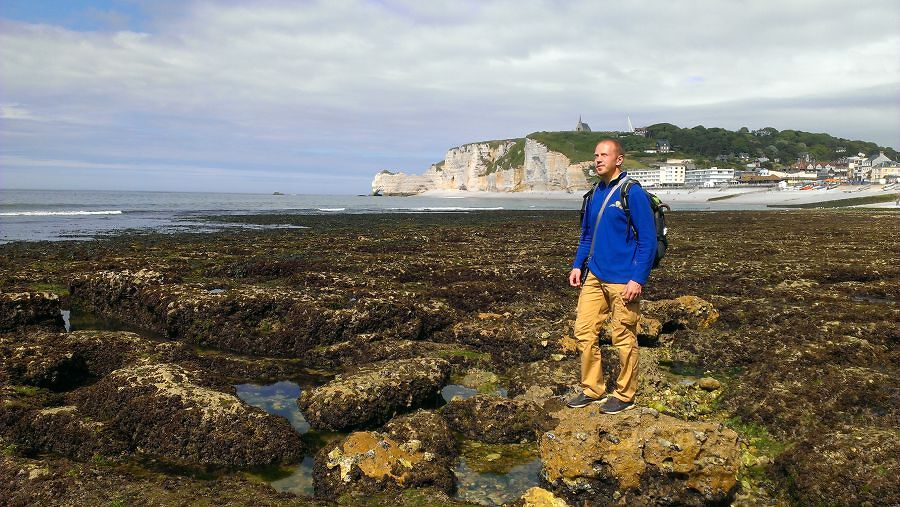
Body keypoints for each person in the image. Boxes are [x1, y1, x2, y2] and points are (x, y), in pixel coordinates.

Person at [566, 139, 657, 414]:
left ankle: (625, 395)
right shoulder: (594, 194)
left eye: (604, 155)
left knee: (622, 336)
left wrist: (637, 279)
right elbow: (587, 235)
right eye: (595, 155)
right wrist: (577, 265)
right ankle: (593, 389)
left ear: (619, 160)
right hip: (594, 275)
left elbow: (648, 241)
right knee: (583, 331)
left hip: (623, 279)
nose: (598, 160)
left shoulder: (632, 193)